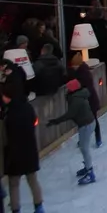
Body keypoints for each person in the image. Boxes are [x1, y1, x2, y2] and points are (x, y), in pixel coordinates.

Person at [1, 83, 44, 213]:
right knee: (33, 180)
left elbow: (4, 139)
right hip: (30, 151)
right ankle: (39, 207)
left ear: (8, 97)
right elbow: (34, 122)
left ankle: (15, 209)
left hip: (14, 156)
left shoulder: (8, 115)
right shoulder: (28, 107)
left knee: (14, 185)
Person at [46, 79, 97, 185]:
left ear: (72, 89)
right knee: (83, 148)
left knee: (84, 148)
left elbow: (70, 114)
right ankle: (87, 167)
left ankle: (90, 173)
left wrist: (56, 121)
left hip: (86, 125)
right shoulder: (78, 95)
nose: (66, 91)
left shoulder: (76, 99)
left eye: (68, 89)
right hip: (88, 123)